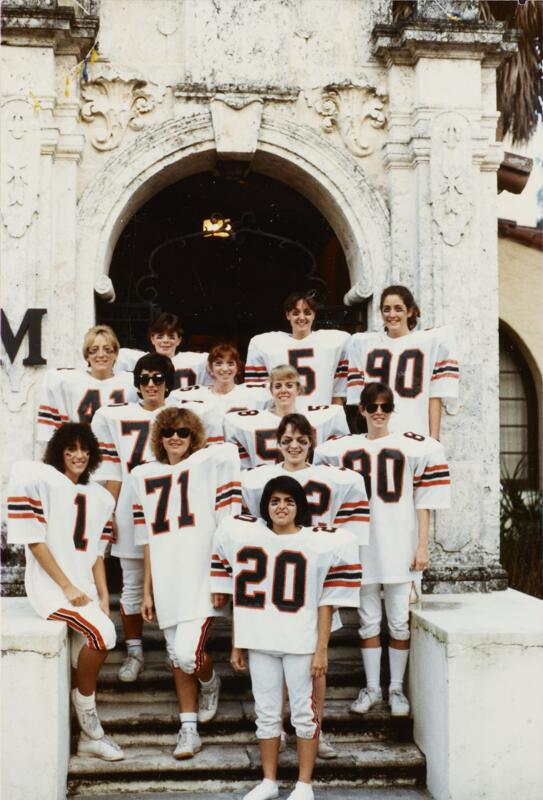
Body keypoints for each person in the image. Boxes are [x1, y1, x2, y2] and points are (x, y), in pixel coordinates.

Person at [211, 476, 361, 800]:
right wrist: (237, 642)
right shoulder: (247, 539)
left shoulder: (317, 543)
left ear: (299, 507)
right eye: (275, 501)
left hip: (300, 641)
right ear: (265, 505)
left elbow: (325, 602)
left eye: (289, 501)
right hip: (262, 639)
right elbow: (242, 594)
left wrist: (322, 649)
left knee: (304, 714)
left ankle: (305, 784)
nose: (281, 507)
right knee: (266, 714)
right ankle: (269, 781)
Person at [314, 382, 451, 716]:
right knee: (368, 620)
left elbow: (424, 502)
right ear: (360, 410)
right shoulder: (340, 449)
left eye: (385, 407)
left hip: (399, 543)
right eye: (371, 407)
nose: (378, 413)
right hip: (361, 546)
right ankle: (373, 687)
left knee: (399, 622)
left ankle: (396, 689)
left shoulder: (414, 447)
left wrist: (422, 545)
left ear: (392, 410)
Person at [241, 412, 370, 760]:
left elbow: (352, 521)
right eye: (287, 440)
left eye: (301, 440)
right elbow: (255, 526)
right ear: (277, 443)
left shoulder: (332, 477)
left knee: (315, 664)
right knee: (278, 660)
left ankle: (316, 729)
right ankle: (278, 730)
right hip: (277, 583)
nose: (294, 446)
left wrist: (342, 559)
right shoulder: (261, 479)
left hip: (316, 577)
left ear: (312, 442)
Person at [7, 423, 123, 761]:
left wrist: (103, 595)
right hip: (52, 589)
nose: (78, 455)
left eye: (84, 449)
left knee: (83, 651)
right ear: (59, 452)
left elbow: (97, 554)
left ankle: (83, 731)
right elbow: (34, 540)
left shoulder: (99, 496)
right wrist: (65, 585)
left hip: (84, 590)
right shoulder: (41, 481)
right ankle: (90, 727)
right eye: (70, 448)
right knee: (103, 635)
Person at [130, 407, 242, 759]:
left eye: (183, 432)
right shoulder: (144, 475)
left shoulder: (208, 463)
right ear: (158, 437)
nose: (175, 438)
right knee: (175, 656)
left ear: (193, 436)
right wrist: (146, 589)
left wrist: (223, 577)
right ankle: (188, 729)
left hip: (200, 577)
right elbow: (146, 538)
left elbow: (227, 523)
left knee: (187, 653)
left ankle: (211, 682)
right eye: (168, 432)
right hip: (166, 578)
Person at [91, 353, 174, 683]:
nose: (151, 385)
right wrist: (108, 513)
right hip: (129, 504)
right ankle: (135, 650)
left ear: (168, 381)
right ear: (136, 383)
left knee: (171, 582)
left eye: (157, 378)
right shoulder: (115, 416)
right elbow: (111, 471)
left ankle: (174, 648)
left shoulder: (181, 414)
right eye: (144, 379)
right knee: (132, 584)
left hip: (169, 506)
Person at [346, 285, 459, 438]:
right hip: (378, 433)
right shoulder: (364, 344)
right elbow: (360, 400)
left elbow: (435, 394)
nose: (392, 314)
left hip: (415, 431)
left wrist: (434, 437)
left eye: (398, 308)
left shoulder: (428, 343)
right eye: (386, 309)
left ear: (410, 311)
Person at [224, 365, 349, 469]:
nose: (283, 390)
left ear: (298, 389)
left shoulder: (320, 418)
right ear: (271, 390)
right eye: (278, 386)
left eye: (289, 385)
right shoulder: (250, 422)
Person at [245, 292, 350, 405]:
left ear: (314, 314)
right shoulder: (266, 343)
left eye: (307, 312)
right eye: (295, 313)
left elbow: (339, 389)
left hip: (320, 413)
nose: (301, 317)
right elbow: (257, 393)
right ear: (288, 315)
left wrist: (335, 410)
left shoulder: (333, 342)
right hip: (284, 416)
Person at [37, 324, 135, 441]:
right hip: (83, 454)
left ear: (115, 354)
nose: (101, 354)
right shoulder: (69, 382)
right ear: (87, 356)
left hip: (116, 454)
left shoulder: (131, 383)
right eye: (94, 350)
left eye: (107, 350)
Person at [115, 312, 209, 390]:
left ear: (179, 340)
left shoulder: (193, 360)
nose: (165, 341)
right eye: (160, 337)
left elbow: (218, 358)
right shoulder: (139, 359)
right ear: (152, 339)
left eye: (171, 337)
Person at [169, 343, 268, 416]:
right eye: (218, 363)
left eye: (230, 363)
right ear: (210, 368)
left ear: (238, 367)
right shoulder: (197, 395)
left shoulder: (252, 394)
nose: (225, 369)